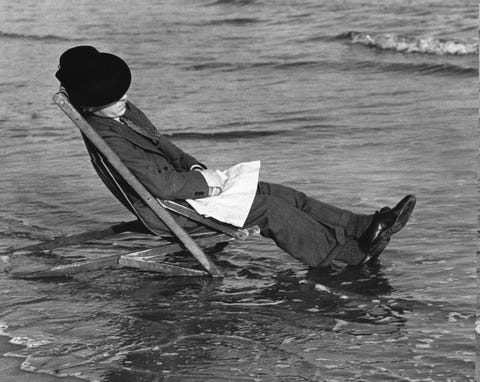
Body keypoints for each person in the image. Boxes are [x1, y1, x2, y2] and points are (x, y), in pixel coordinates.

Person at [55, 46, 416, 268]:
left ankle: (361, 227)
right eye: (114, 100)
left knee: (274, 191)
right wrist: (206, 184)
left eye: (123, 95)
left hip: (183, 191)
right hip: (170, 210)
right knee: (269, 209)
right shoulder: (106, 134)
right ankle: (350, 255)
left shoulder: (120, 112)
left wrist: (195, 166)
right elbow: (160, 184)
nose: (124, 102)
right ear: (88, 105)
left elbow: (162, 144)